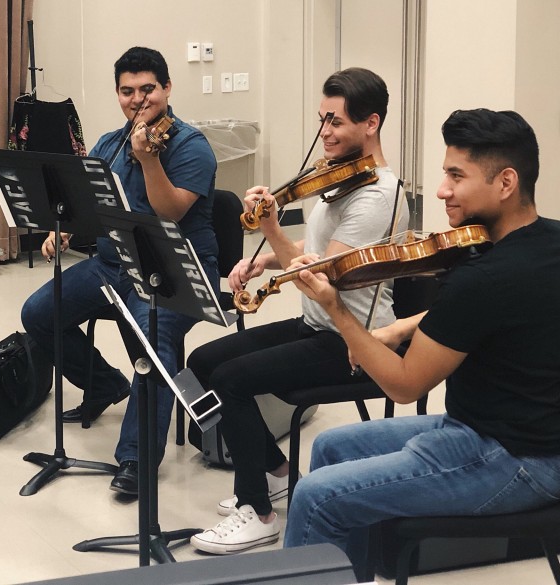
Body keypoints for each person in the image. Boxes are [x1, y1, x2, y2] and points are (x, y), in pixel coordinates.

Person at [284, 108, 560, 568]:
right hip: (511, 432)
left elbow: (404, 386)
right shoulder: (546, 241)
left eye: (456, 175)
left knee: (315, 498)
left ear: (505, 183)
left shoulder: (481, 279)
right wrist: (400, 325)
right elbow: (501, 312)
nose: (441, 190)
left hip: (514, 458)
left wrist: (337, 309)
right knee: (331, 446)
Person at [186, 68, 408, 554]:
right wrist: (262, 259)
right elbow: (318, 245)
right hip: (316, 325)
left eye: (337, 122)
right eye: (322, 120)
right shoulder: (342, 181)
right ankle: (281, 475)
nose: (325, 133)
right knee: (202, 364)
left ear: (371, 124)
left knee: (233, 379)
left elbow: (323, 277)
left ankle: (259, 513)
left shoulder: (377, 194)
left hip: (354, 342)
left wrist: (271, 232)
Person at [20, 47, 218, 494]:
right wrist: (66, 230)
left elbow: (168, 214)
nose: (138, 100)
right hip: (114, 262)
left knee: (155, 342)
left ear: (167, 88)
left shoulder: (190, 146)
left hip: (175, 269)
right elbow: (88, 201)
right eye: (127, 92)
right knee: (38, 314)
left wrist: (148, 159)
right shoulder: (110, 143)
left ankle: (137, 459)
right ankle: (106, 383)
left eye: (148, 89)